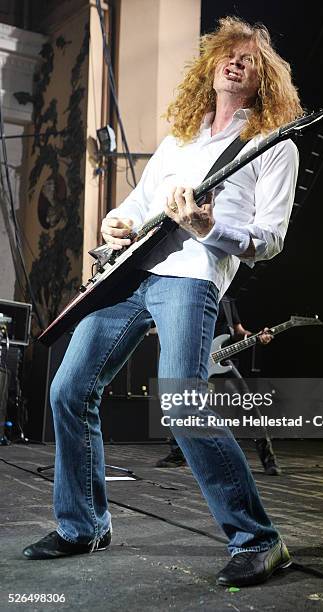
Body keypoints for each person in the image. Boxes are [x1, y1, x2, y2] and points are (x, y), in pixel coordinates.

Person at [23, 16, 302, 588]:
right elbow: (139, 202)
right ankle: (83, 527)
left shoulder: (273, 147)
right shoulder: (179, 139)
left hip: (192, 278)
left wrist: (206, 227)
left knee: (182, 405)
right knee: (69, 390)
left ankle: (260, 540)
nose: (234, 62)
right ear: (210, 66)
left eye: (248, 59)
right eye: (227, 54)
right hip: (132, 275)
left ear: (264, 79)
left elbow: (268, 241)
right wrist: (118, 219)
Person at [156, 293, 282, 475]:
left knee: (250, 407)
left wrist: (256, 336)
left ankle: (269, 460)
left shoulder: (227, 300)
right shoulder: (189, 293)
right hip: (195, 361)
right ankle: (177, 454)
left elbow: (238, 332)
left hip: (222, 363)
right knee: (180, 404)